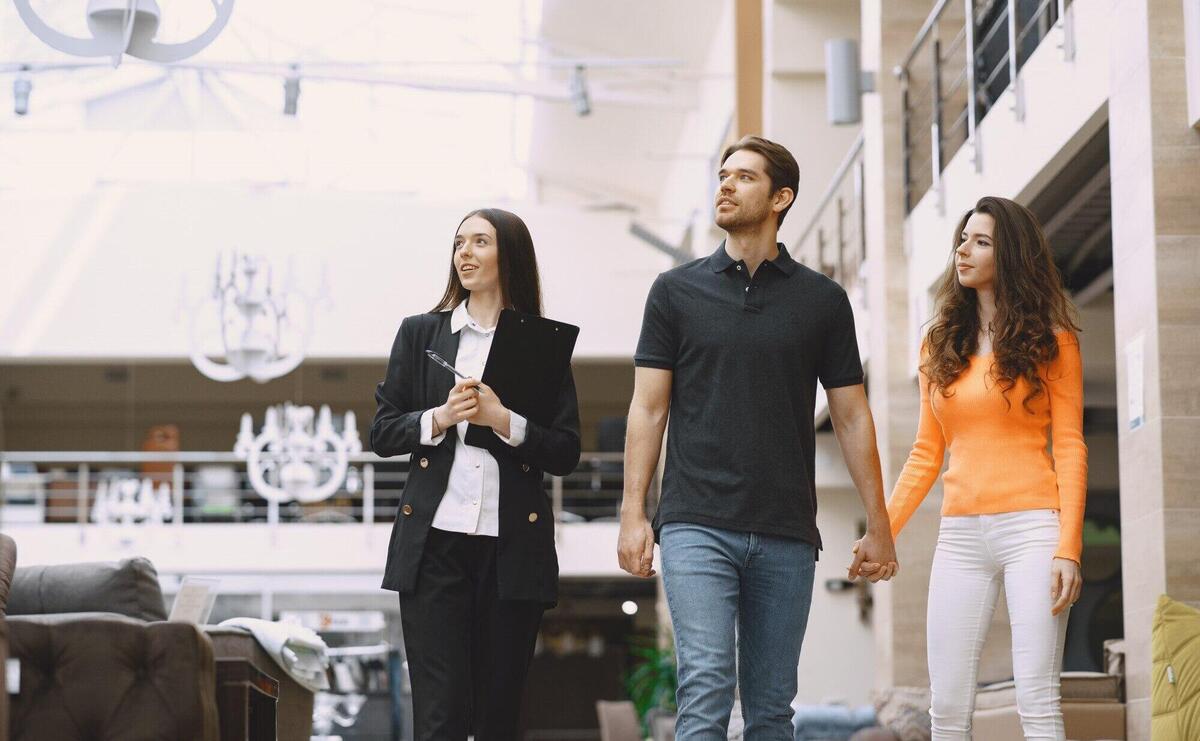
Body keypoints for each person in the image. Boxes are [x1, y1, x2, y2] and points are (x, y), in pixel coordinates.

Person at [617, 134, 899, 740]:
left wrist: (879, 522)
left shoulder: (822, 301)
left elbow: (851, 416)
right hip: (695, 520)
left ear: (781, 198)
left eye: (744, 176)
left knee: (772, 707)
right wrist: (632, 513)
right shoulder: (675, 291)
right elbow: (648, 408)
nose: (725, 184)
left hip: (785, 529)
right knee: (707, 686)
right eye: (723, 174)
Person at [867, 196, 1087, 740]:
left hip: (1033, 528)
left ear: (1008, 255)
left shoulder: (1052, 343)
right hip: (960, 536)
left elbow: (1073, 447)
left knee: (1037, 701)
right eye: (963, 238)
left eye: (981, 241)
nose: (963, 249)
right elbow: (924, 453)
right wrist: (883, 532)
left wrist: (1068, 548)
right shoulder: (939, 344)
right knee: (946, 710)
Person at [370, 208, 580, 741]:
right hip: (434, 546)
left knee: (498, 718)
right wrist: (440, 418)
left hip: (512, 548)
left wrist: (502, 420)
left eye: (479, 242)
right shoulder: (422, 334)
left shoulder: (542, 343)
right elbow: (383, 432)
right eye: (459, 242)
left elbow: (565, 451)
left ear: (508, 255)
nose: (464, 252)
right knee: (440, 717)